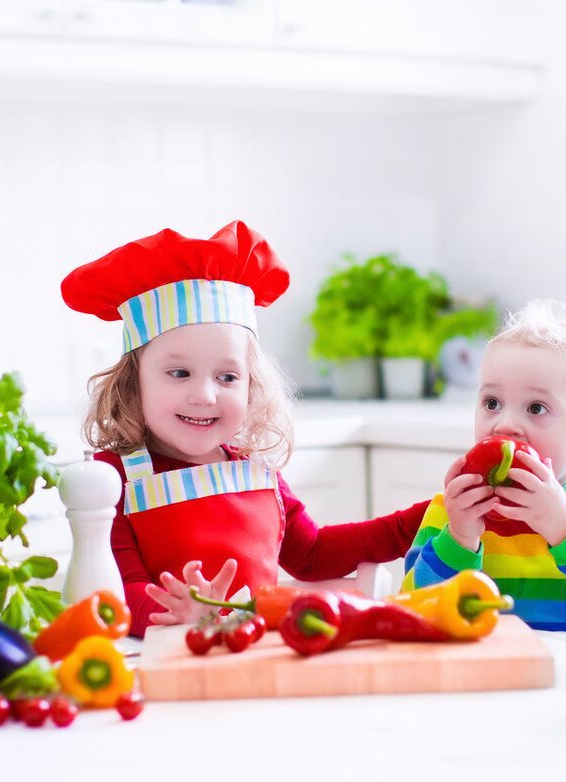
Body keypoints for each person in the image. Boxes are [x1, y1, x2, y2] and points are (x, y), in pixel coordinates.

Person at [61, 221, 429, 637]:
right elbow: (119, 593)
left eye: (227, 377)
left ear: (251, 384)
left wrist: (425, 518)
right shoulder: (113, 478)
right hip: (167, 661)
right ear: (133, 382)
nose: (205, 395)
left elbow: (313, 555)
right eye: (179, 373)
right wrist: (181, 615)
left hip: (256, 655)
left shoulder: (256, 471)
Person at [401, 300, 566, 631]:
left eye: (536, 408)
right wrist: (460, 538)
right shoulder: (454, 509)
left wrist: (565, 529)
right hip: (487, 660)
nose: (505, 424)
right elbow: (415, 606)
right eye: (492, 403)